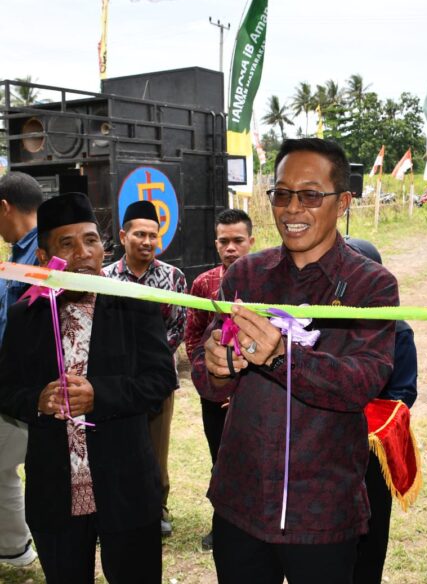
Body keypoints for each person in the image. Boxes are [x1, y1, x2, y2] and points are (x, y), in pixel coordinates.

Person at [192, 138, 399, 584]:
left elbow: (363, 381)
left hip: (321, 508)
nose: (291, 209)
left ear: (343, 201)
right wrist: (215, 366)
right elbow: (206, 374)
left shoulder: (371, 286)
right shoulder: (246, 274)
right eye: (281, 194)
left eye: (309, 195)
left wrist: (285, 356)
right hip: (241, 498)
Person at [0, 192, 176, 583]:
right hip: (55, 490)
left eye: (91, 240)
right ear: (45, 259)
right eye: (67, 243)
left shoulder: (134, 303)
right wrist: (38, 400)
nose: (83, 253)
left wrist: (100, 394)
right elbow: (6, 388)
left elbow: (160, 378)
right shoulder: (26, 315)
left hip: (125, 486)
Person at [102, 200, 187, 537]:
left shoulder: (173, 278)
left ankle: (157, 507)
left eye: (153, 235)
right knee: (116, 445)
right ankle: (114, 507)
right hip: (114, 382)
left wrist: (146, 363)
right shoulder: (104, 278)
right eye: (139, 234)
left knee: (156, 448)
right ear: (123, 236)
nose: (147, 241)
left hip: (156, 382)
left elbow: (178, 328)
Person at [345, 237, 418, 584]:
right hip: (322, 449)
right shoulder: (322, 321)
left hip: (372, 451)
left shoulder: (398, 330)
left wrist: (356, 412)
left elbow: (403, 393)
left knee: (370, 536)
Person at [185, 208, 255, 551]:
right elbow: (194, 335)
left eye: (238, 241)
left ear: (251, 242)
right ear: (216, 244)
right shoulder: (203, 284)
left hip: (257, 392)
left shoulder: (267, 281)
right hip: (214, 395)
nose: (231, 248)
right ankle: (222, 525)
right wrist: (212, 379)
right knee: (220, 460)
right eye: (224, 241)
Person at [0, 172, 42, 568]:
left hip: (27, 387)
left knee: (4, 468)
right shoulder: (18, 254)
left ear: (5, 207)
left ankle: (17, 549)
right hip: (12, 385)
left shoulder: (40, 255)